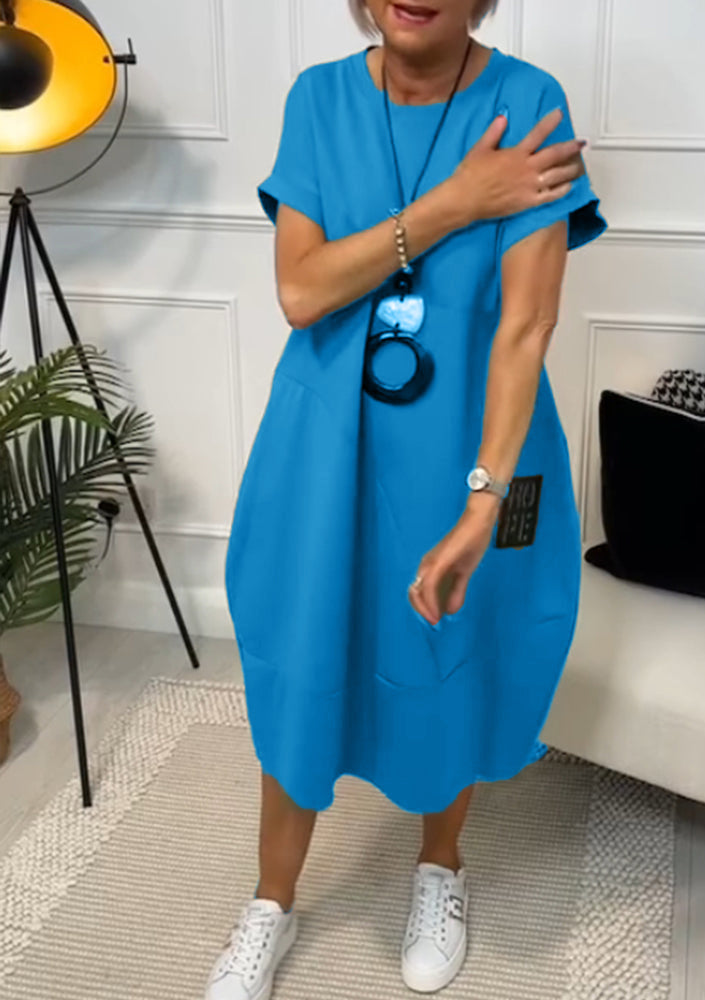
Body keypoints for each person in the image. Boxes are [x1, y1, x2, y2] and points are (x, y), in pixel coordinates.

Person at [206, 1, 607, 996]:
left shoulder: (528, 102)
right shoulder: (318, 99)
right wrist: (457, 201)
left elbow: (524, 328)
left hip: (470, 445)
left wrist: (484, 500)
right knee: (305, 652)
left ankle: (440, 865)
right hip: (323, 447)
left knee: (451, 650)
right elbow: (301, 292)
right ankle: (270, 901)